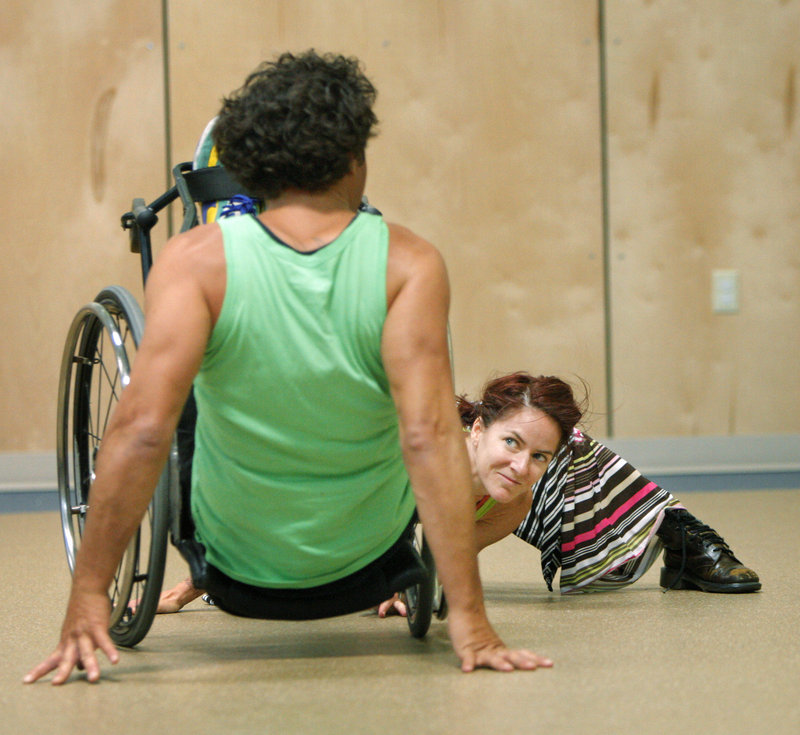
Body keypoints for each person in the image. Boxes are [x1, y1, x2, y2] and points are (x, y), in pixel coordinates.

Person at [25, 51, 549, 685]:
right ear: (356, 158)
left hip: (232, 567)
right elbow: (429, 435)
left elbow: (142, 433)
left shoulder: (194, 262)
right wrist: (470, 619)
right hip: (370, 562)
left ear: (251, 167)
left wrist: (88, 596)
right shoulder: (409, 264)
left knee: (176, 399)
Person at [378, 371, 760, 613]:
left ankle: (676, 526)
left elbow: (445, 561)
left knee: (573, 442)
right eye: (510, 443)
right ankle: (678, 530)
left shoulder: (512, 506)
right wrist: (384, 575)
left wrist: (406, 586)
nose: (522, 467)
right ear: (476, 430)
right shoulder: (417, 454)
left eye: (539, 457)